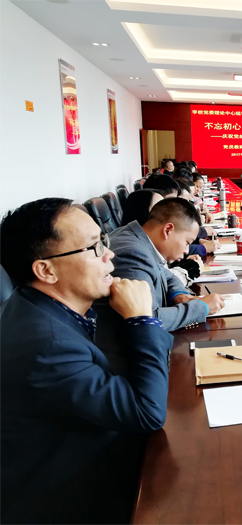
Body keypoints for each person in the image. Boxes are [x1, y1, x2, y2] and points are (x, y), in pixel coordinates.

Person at [0, 199, 173, 523]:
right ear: (46, 270)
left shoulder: (34, 306)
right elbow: (146, 413)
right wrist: (141, 319)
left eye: (102, 240)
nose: (110, 255)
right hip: (68, 501)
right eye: (93, 248)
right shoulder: (48, 346)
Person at [94, 198, 225, 372]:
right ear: (168, 230)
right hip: (127, 365)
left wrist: (179, 294)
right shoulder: (132, 252)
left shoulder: (139, 239)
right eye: (187, 242)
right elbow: (147, 319)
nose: (187, 251)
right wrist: (201, 307)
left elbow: (166, 274)